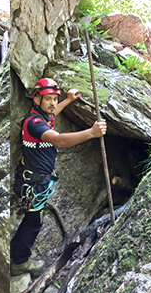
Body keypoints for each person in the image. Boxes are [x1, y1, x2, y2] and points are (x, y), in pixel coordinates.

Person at [10, 78, 107, 276]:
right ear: (37, 99)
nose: (53, 103)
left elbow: (53, 114)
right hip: (33, 185)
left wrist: (68, 100)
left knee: (32, 219)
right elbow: (59, 140)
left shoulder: (43, 116)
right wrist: (91, 133)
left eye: (55, 98)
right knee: (33, 223)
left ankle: (14, 251)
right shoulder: (34, 123)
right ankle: (18, 262)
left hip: (37, 182)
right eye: (48, 99)